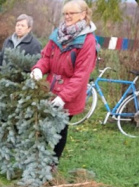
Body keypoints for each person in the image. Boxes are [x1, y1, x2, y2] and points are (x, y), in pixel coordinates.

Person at [30, 0, 97, 168]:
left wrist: (63, 97)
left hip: (70, 94)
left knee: (60, 128)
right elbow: (46, 57)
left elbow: (81, 76)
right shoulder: (58, 34)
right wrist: (39, 68)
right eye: (65, 13)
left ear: (83, 14)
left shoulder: (87, 41)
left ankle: (52, 164)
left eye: (71, 13)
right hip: (50, 88)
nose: (67, 17)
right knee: (43, 125)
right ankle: (37, 161)